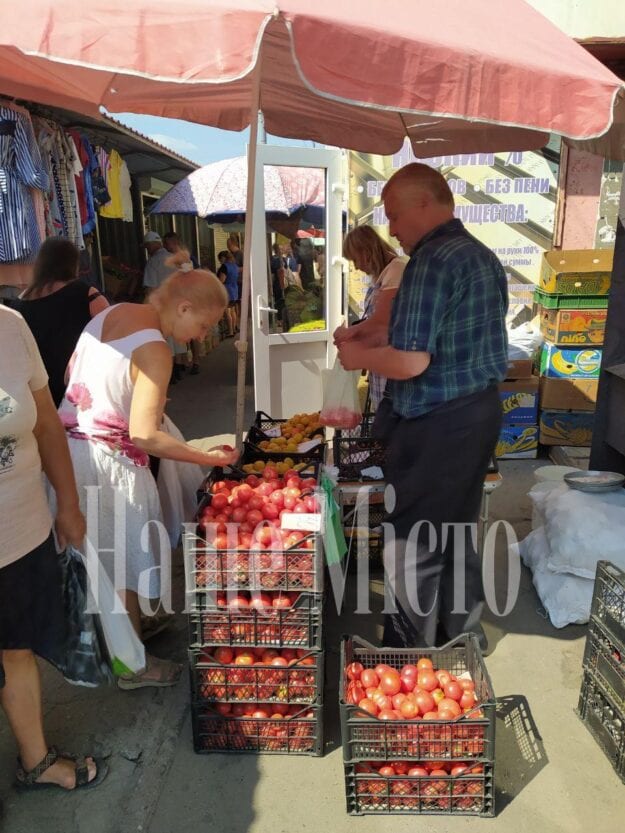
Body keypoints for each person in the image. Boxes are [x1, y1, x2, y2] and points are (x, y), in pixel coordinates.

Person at [335, 163, 508, 650]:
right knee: (455, 527)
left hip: (438, 421)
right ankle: (461, 636)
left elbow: (411, 360)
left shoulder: (431, 261)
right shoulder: (478, 254)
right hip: (474, 413)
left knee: (412, 541)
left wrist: (357, 357)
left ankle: (407, 655)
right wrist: (365, 333)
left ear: (424, 205)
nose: (390, 228)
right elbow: (425, 333)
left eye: (393, 214)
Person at [58, 250, 238, 688]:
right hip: (111, 465)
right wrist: (206, 458)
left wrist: (128, 399)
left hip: (68, 456)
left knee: (102, 560)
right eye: (204, 325)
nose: (200, 337)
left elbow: (73, 377)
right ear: (183, 307)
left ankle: (126, 642)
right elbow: (143, 435)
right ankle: (133, 668)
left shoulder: (110, 313)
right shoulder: (156, 349)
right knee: (120, 563)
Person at [0, 305, 107, 791]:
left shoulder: (10, 325)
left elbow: (46, 425)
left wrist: (67, 502)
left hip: (20, 531)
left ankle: (36, 761)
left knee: (16, 649)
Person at [10, 238, 109, 407]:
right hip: (80, 383)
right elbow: (112, 329)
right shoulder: (85, 293)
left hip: (38, 388)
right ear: (72, 263)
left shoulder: (19, 302)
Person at [337, 226, 407, 410]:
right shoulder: (383, 274)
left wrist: (349, 333)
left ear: (366, 251)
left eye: (355, 259)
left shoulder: (397, 270)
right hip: (383, 364)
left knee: (391, 423)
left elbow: (382, 322)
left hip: (393, 366)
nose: (357, 267)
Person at [142, 231, 187, 384]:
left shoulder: (153, 262)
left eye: (147, 246)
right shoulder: (173, 259)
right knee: (177, 336)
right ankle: (180, 367)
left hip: (162, 304)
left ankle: (171, 373)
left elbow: (151, 288)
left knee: (165, 338)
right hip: (178, 302)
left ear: (153, 245)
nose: (147, 249)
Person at [163, 231, 201, 375]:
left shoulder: (185, 256)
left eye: (166, 243)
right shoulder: (174, 257)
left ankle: (196, 361)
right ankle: (186, 361)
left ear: (173, 242)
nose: (165, 246)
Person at [216, 250, 239, 336]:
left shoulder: (224, 267)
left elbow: (222, 280)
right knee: (233, 311)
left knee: (227, 312)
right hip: (234, 290)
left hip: (227, 290)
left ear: (223, 258)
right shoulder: (234, 266)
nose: (219, 261)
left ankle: (230, 332)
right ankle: (234, 328)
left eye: (219, 259)